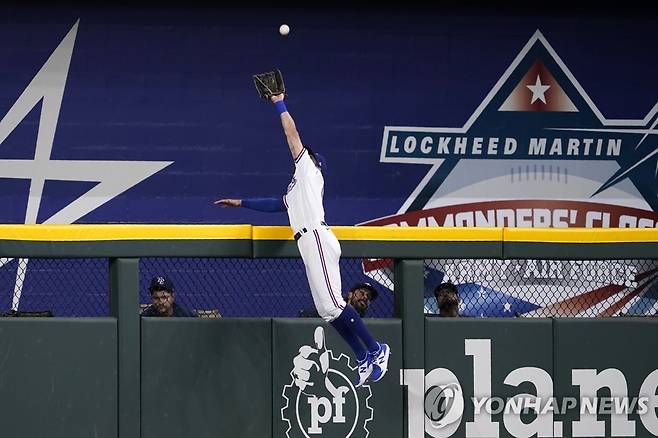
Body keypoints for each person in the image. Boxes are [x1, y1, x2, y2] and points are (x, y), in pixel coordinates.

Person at [215, 92, 390, 387]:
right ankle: (362, 357)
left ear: (313, 161)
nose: (298, 153)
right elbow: (277, 203)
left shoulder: (309, 170)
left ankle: (377, 350)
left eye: (303, 153)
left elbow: (291, 133)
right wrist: (240, 202)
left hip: (317, 237)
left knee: (335, 304)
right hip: (308, 243)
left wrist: (278, 102)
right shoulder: (297, 188)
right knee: (326, 310)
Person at [298, 282, 379, 318]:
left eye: (368, 297)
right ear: (350, 294)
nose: (365, 297)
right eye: (361, 293)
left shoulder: (365, 323)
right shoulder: (332, 308)